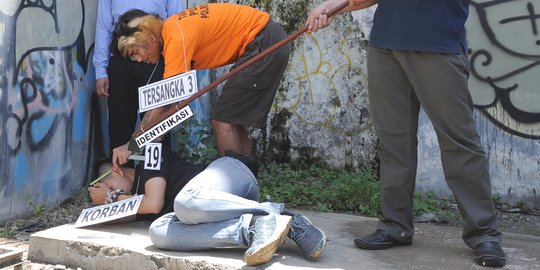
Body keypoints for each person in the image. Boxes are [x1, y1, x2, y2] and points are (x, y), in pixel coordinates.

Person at [307, 0, 506, 267]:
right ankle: (394, 225)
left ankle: (484, 234)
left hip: (438, 44)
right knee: (393, 142)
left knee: (459, 143)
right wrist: (332, 7)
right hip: (386, 44)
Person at [88, 146, 326, 266]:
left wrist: (111, 198)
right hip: (216, 209)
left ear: (115, 169)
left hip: (233, 174)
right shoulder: (132, 199)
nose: (114, 193)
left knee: (184, 202)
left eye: (109, 185)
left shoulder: (151, 158)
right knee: (158, 232)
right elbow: (131, 213)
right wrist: (103, 205)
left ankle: (277, 212)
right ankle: (255, 227)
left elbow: (153, 204)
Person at [110, 3, 291, 158]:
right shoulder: (173, 30)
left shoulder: (176, 36)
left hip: (264, 41)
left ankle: (236, 191)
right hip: (264, 38)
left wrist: (132, 144)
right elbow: (169, 106)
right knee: (231, 119)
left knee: (222, 121)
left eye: (135, 52)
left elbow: (168, 102)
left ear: (148, 36)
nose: (139, 60)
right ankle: (247, 184)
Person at [93, 0, 183, 154]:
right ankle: (121, 173)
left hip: (153, 53)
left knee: (157, 122)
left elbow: (175, 19)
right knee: (119, 122)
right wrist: (100, 70)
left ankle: (158, 173)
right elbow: (103, 25)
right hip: (122, 54)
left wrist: (170, 60)